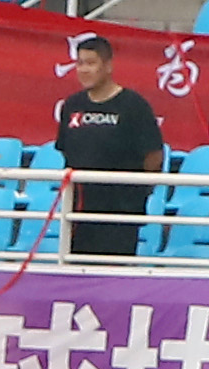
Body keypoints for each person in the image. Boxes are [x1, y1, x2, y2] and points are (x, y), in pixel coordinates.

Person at [53, 31, 165, 261]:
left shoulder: (134, 106)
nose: (84, 70)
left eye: (91, 63)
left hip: (120, 209)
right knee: (79, 271)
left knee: (114, 274)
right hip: (80, 208)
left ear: (108, 66)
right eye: (80, 63)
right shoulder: (72, 105)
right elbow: (65, 149)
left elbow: (154, 155)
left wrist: (137, 192)